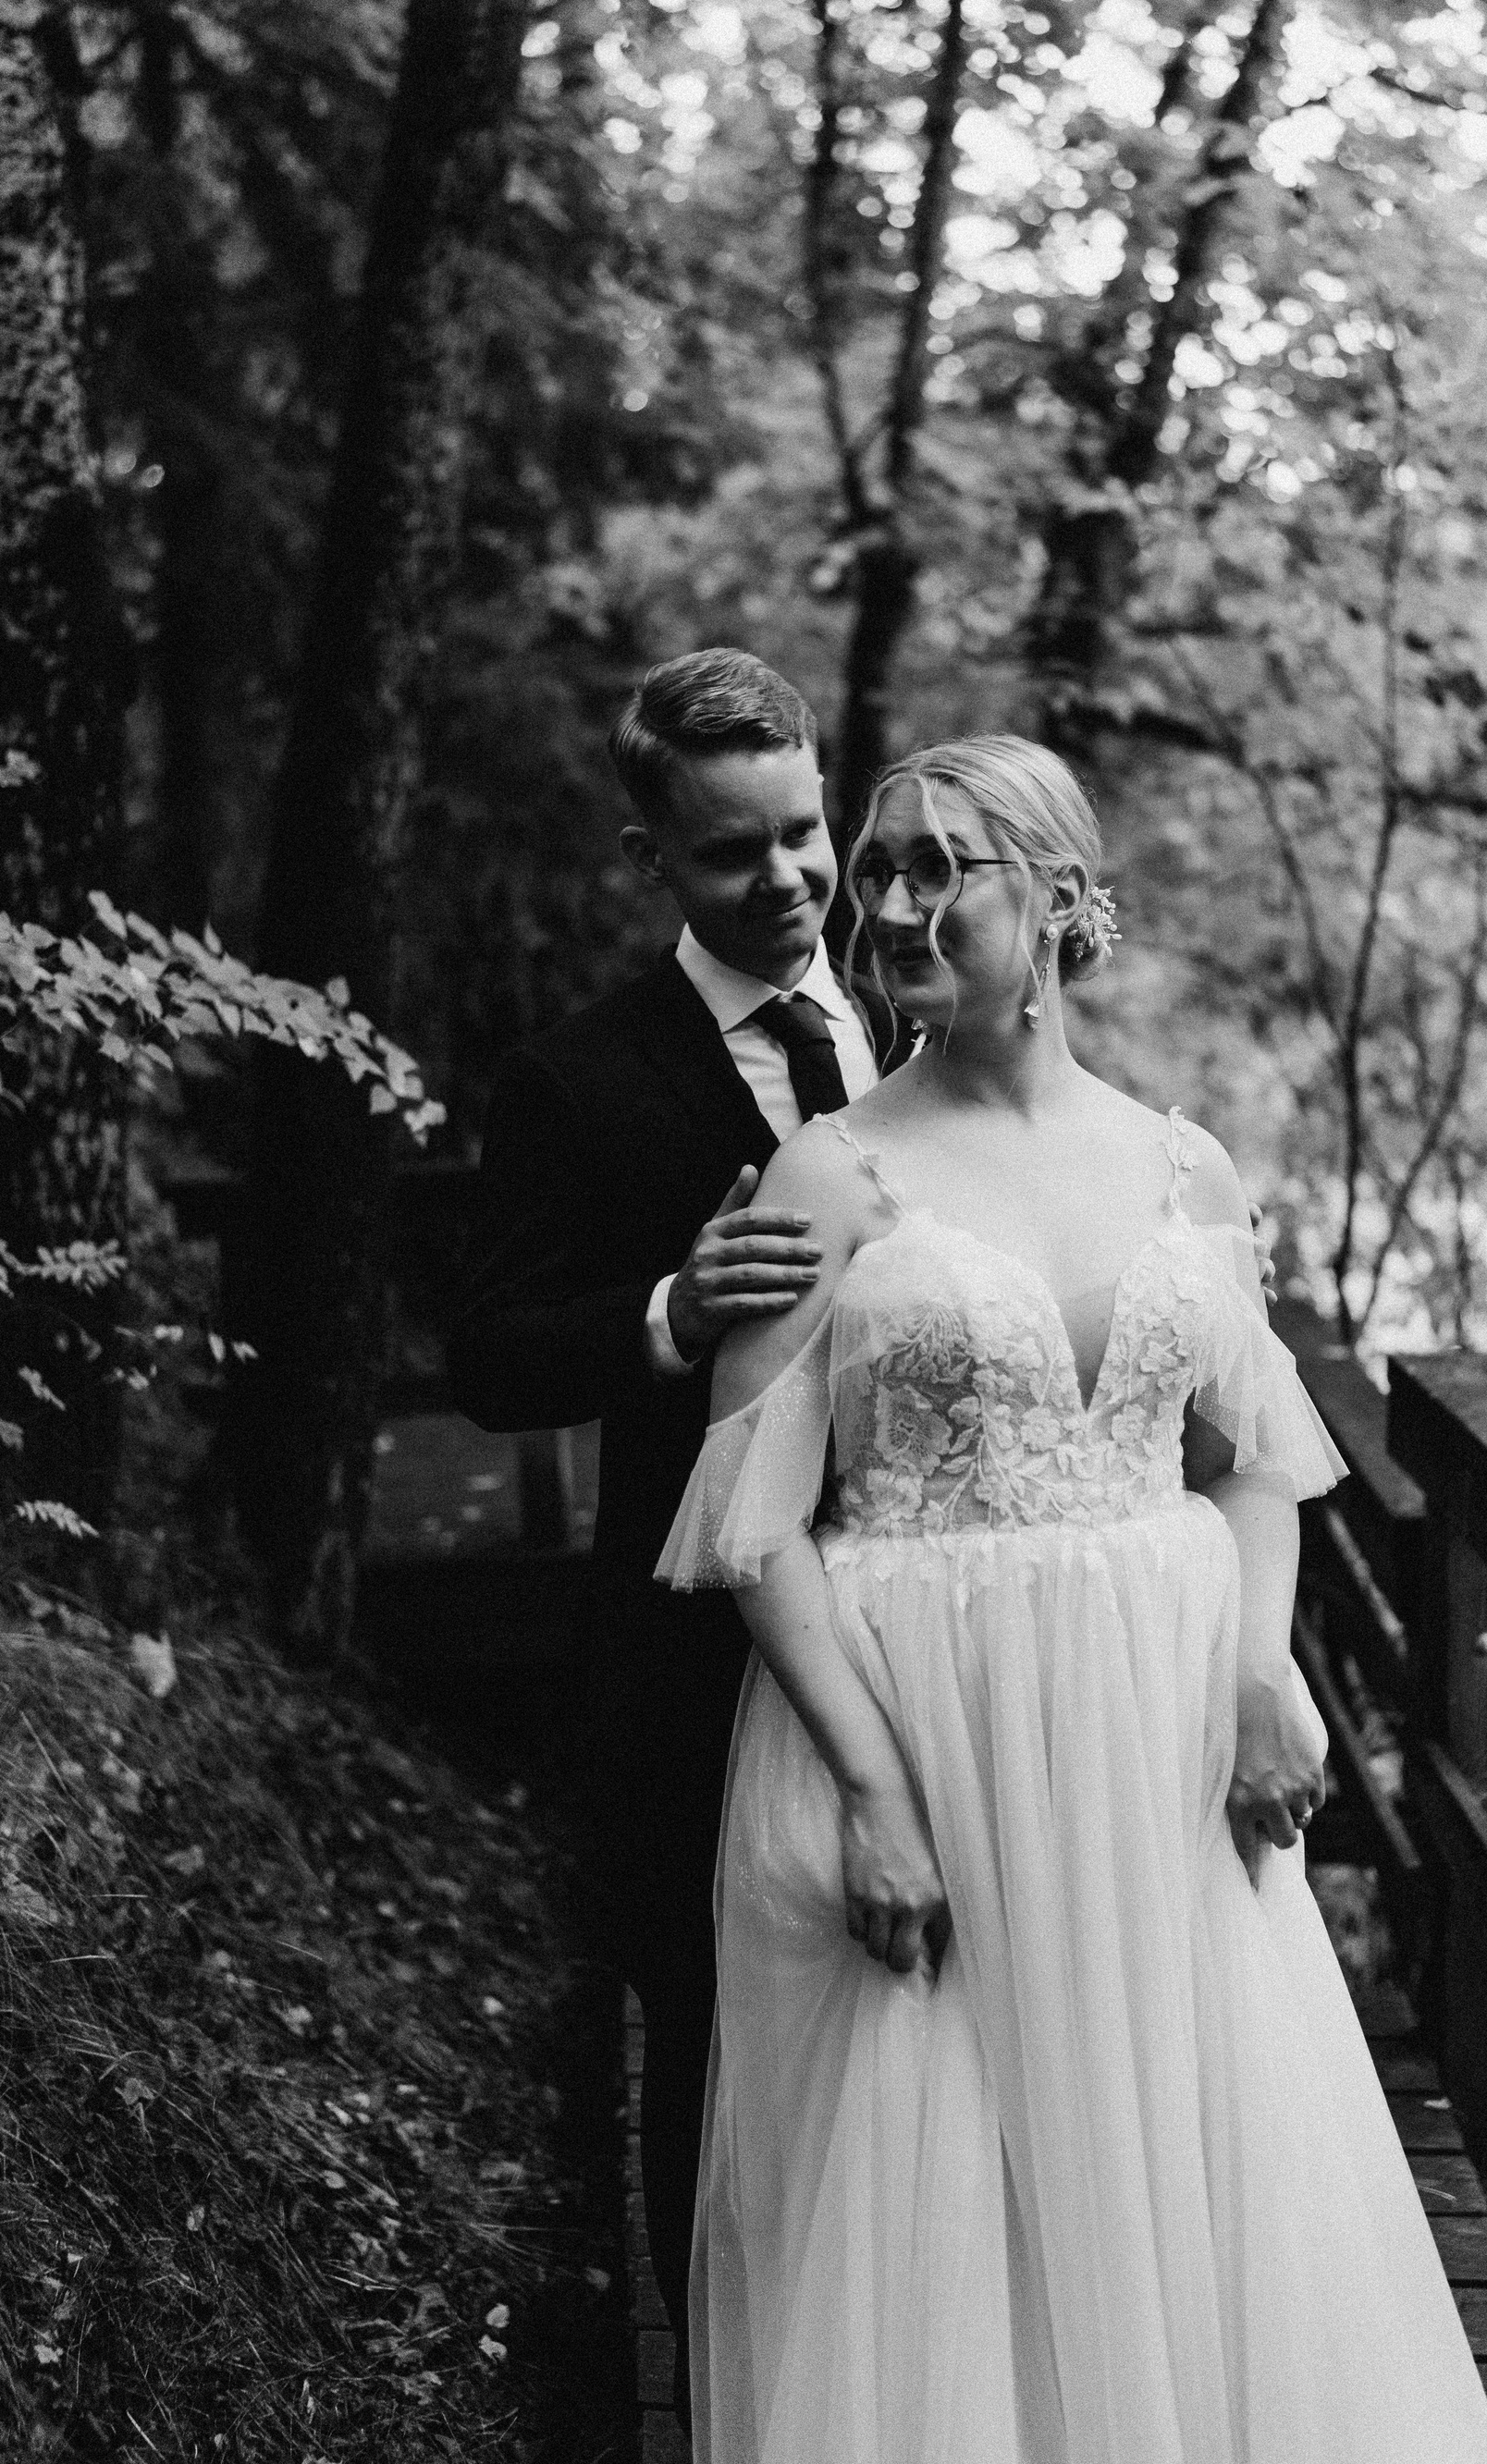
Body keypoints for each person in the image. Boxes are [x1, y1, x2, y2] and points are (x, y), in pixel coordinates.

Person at [657, 733, 1487, 2462]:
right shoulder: (831, 1174)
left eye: (937, 868)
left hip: (1157, 1738)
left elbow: (1256, 1458)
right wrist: (876, 1796)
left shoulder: (1185, 1166)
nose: (888, 905)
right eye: (877, 868)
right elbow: (756, 1525)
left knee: (1188, 2152)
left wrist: (1264, 1673)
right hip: (931, 1736)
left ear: (1053, 898)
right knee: (951, 2189)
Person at [445, 649, 884, 2431]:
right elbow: (489, 1356)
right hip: (693, 1660)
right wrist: (666, 1311)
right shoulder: (576, 1079)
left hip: (928, 1618)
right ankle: (721, 2409)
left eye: (804, 834)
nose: (786, 879)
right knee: (712, 2043)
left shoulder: (921, 1011)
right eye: (730, 853)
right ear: (651, 859)